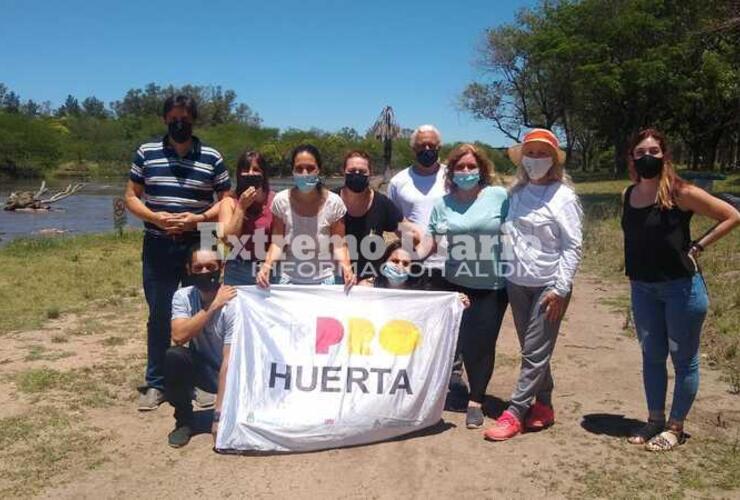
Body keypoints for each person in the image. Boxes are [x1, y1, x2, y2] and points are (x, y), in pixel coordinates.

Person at [622, 129, 739, 451]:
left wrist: (699, 246)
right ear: (631, 157)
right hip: (643, 290)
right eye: (641, 151)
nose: (648, 157)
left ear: (664, 156)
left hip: (681, 290)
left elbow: (731, 215)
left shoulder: (679, 192)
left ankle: (675, 427)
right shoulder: (628, 195)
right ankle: (654, 420)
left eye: (655, 151)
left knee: (684, 360)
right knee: (652, 357)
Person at [124, 95, 231, 411]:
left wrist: (197, 219)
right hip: (158, 241)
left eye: (184, 118)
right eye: (173, 118)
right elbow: (131, 196)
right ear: (165, 120)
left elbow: (226, 202)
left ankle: (201, 381)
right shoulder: (147, 153)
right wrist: (155, 217)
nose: (179, 123)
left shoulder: (212, 157)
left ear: (193, 120)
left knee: (206, 309)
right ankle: (156, 383)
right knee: (159, 313)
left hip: (202, 241)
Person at [484, 128, 583, 441]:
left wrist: (561, 288)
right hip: (517, 282)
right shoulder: (515, 193)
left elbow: (573, 245)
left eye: (543, 154)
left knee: (534, 352)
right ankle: (545, 404)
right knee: (532, 348)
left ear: (553, 160)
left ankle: (515, 412)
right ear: (522, 159)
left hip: (548, 285)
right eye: (531, 154)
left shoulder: (563, 196)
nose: (536, 160)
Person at [425, 144, 508, 429]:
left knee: (481, 345)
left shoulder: (499, 197)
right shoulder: (442, 204)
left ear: (482, 170)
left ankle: (476, 401)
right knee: (455, 343)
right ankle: (450, 390)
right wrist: (406, 251)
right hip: (455, 283)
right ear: (451, 172)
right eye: (460, 167)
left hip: (492, 284)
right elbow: (430, 243)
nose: (466, 172)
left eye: (471, 166)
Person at [387, 125, 468, 400]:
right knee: (416, 320)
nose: (427, 150)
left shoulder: (453, 177)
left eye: (432, 145)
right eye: (421, 145)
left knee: (453, 319)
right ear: (413, 148)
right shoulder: (399, 182)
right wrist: (412, 233)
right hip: (414, 262)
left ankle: (454, 377)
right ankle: (415, 375)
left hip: (451, 260)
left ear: (440, 147)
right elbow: (393, 220)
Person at [165, 246, 237, 448]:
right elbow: (179, 336)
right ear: (189, 270)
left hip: (233, 373)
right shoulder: (183, 296)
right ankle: (184, 421)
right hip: (204, 368)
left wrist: (218, 416)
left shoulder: (233, 301)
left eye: (210, 267)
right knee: (174, 356)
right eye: (198, 268)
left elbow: (229, 361)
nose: (205, 272)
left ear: (221, 268)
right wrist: (212, 306)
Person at [256, 144, 355, 289]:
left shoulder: (334, 203)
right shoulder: (281, 201)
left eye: (310, 168)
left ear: (318, 170)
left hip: (326, 280)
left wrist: (347, 268)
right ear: (292, 171)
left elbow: (339, 244)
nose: (304, 173)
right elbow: (277, 242)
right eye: (299, 168)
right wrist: (266, 266)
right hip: (288, 279)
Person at [333, 150, 403, 280]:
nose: (357, 174)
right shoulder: (329, 201)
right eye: (352, 170)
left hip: (370, 281)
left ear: (370, 173)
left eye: (362, 171)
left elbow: (410, 235)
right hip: (334, 280)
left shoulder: (382, 203)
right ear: (344, 171)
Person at [219, 150, 275, 285]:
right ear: (239, 174)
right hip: (237, 269)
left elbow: (279, 241)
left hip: (268, 269)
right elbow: (228, 240)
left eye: (256, 169)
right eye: (246, 169)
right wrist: (241, 208)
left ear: (264, 174)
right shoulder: (229, 202)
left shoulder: (276, 201)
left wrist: (267, 265)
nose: (250, 173)